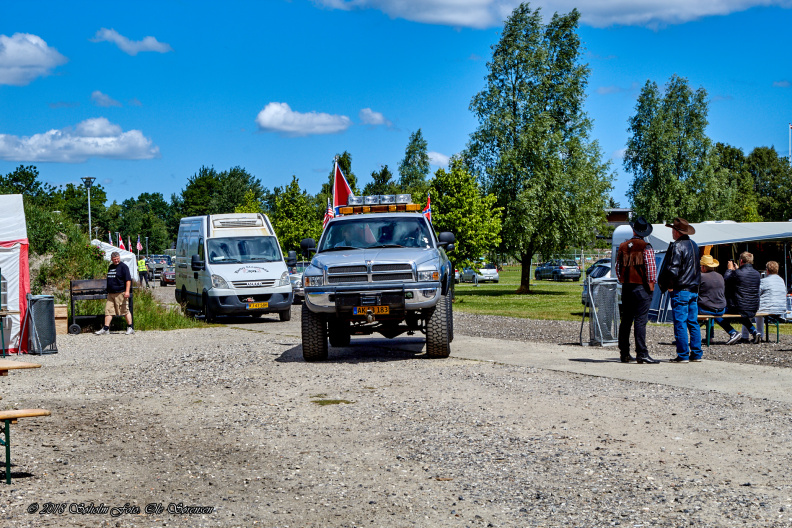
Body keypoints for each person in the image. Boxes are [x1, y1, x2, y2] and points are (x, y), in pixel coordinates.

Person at [615, 216, 659, 364]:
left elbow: (618, 269)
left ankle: (624, 353)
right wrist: (651, 287)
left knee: (626, 320)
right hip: (641, 288)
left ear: (633, 230)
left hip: (627, 287)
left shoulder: (622, 246)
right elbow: (651, 271)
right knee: (640, 321)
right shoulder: (646, 247)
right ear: (645, 232)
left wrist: (624, 280)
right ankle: (642, 353)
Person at [657, 217, 702, 363]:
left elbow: (673, 269)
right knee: (693, 322)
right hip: (693, 288)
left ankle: (683, 354)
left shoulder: (677, 246)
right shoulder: (694, 245)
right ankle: (696, 353)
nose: (671, 232)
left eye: (673, 230)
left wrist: (669, 286)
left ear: (677, 232)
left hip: (681, 288)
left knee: (680, 322)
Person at [718, 252, 761, 345]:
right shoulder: (757, 273)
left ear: (741, 260)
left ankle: (732, 332)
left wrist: (729, 269)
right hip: (753, 306)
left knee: (717, 314)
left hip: (739, 306)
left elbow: (726, 280)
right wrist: (737, 270)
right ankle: (754, 331)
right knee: (742, 313)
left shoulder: (737, 273)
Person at [740, 259, 785, 342]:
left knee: (750, 312)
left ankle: (745, 336)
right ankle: (760, 334)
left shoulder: (764, 281)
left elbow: (757, 293)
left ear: (767, 270)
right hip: (781, 307)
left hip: (769, 307)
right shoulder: (781, 280)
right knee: (759, 312)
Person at [95, 251, 134, 335]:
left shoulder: (124, 267)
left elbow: (128, 280)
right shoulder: (111, 266)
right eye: (114, 259)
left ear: (119, 258)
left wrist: (127, 291)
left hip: (120, 293)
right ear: (111, 259)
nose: (116, 261)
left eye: (117, 259)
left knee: (124, 310)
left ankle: (130, 327)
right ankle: (106, 328)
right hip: (111, 293)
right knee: (108, 310)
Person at [697, 254, 727, 342]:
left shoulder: (701, 277)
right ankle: (710, 336)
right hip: (721, 308)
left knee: (689, 311)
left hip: (707, 309)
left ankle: (691, 337)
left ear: (703, 267)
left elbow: (695, 291)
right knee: (711, 308)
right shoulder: (720, 276)